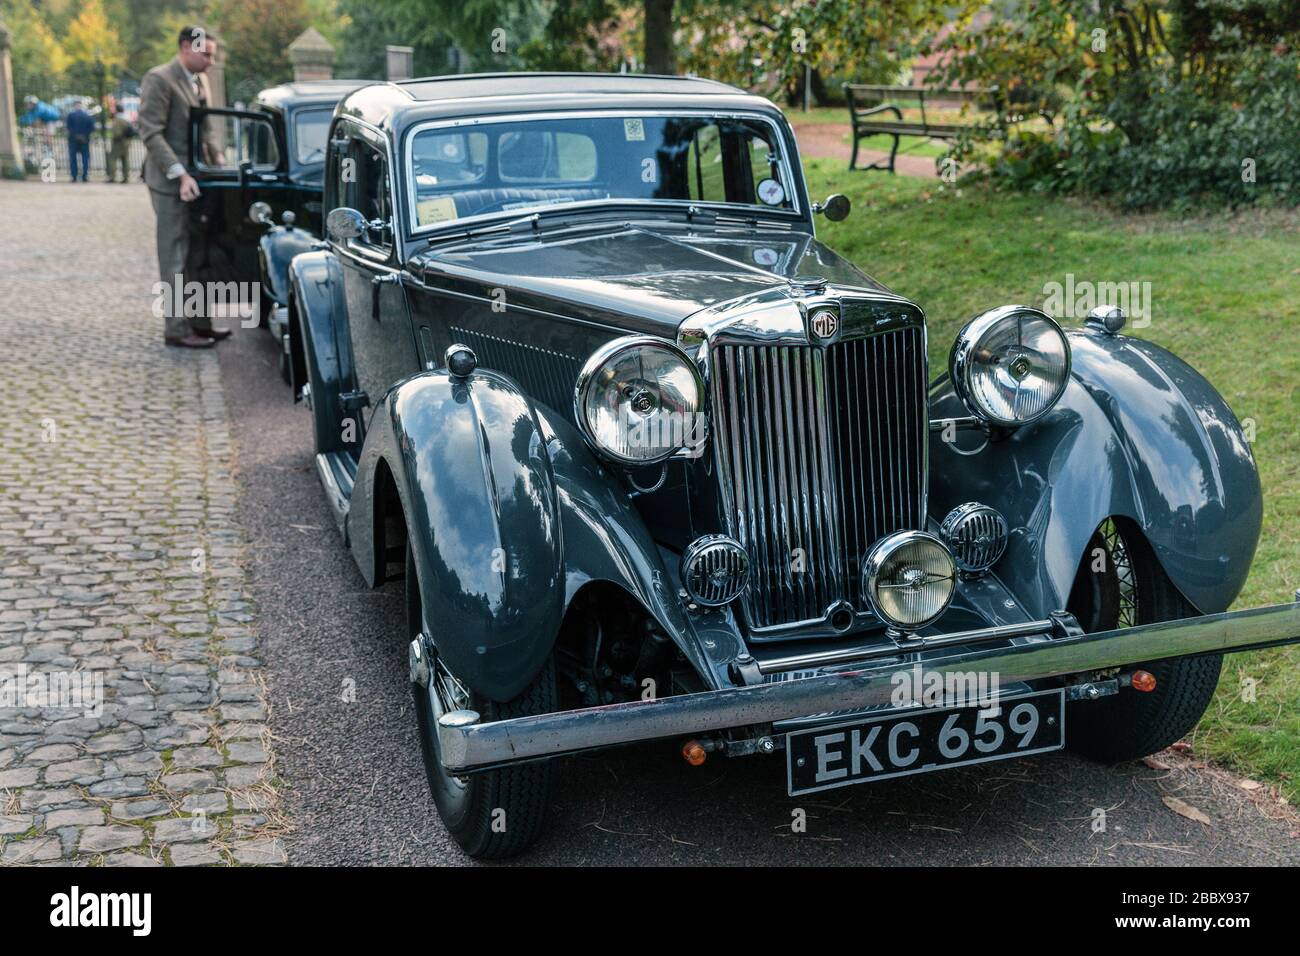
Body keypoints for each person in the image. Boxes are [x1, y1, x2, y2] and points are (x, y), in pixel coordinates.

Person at [138, 25, 231, 349]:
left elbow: (206, 126)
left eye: (212, 56)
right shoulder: (159, 79)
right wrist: (180, 175)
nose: (210, 62)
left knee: (197, 256)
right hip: (169, 184)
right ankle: (176, 330)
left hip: (198, 180)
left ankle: (200, 324)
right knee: (175, 256)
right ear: (185, 48)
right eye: (205, 54)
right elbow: (150, 132)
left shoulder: (199, 81)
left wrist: (217, 154)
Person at [65, 102, 95, 182]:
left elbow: (68, 127)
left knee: (73, 159)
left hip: (73, 139)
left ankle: (74, 176)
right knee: (85, 158)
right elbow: (92, 128)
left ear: (75, 106)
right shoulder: (87, 116)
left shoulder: (71, 115)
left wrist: (75, 135)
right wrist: (84, 135)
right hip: (84, 139)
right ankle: (85, 176)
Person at [107, 106, 135, 183]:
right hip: (126, 142)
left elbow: (116, 133)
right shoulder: (127, 118)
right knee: (125, 160)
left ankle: (112, 177)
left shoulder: (117, 120)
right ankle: (126, 177)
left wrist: (114, 137)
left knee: (112, 159)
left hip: (118, 142)